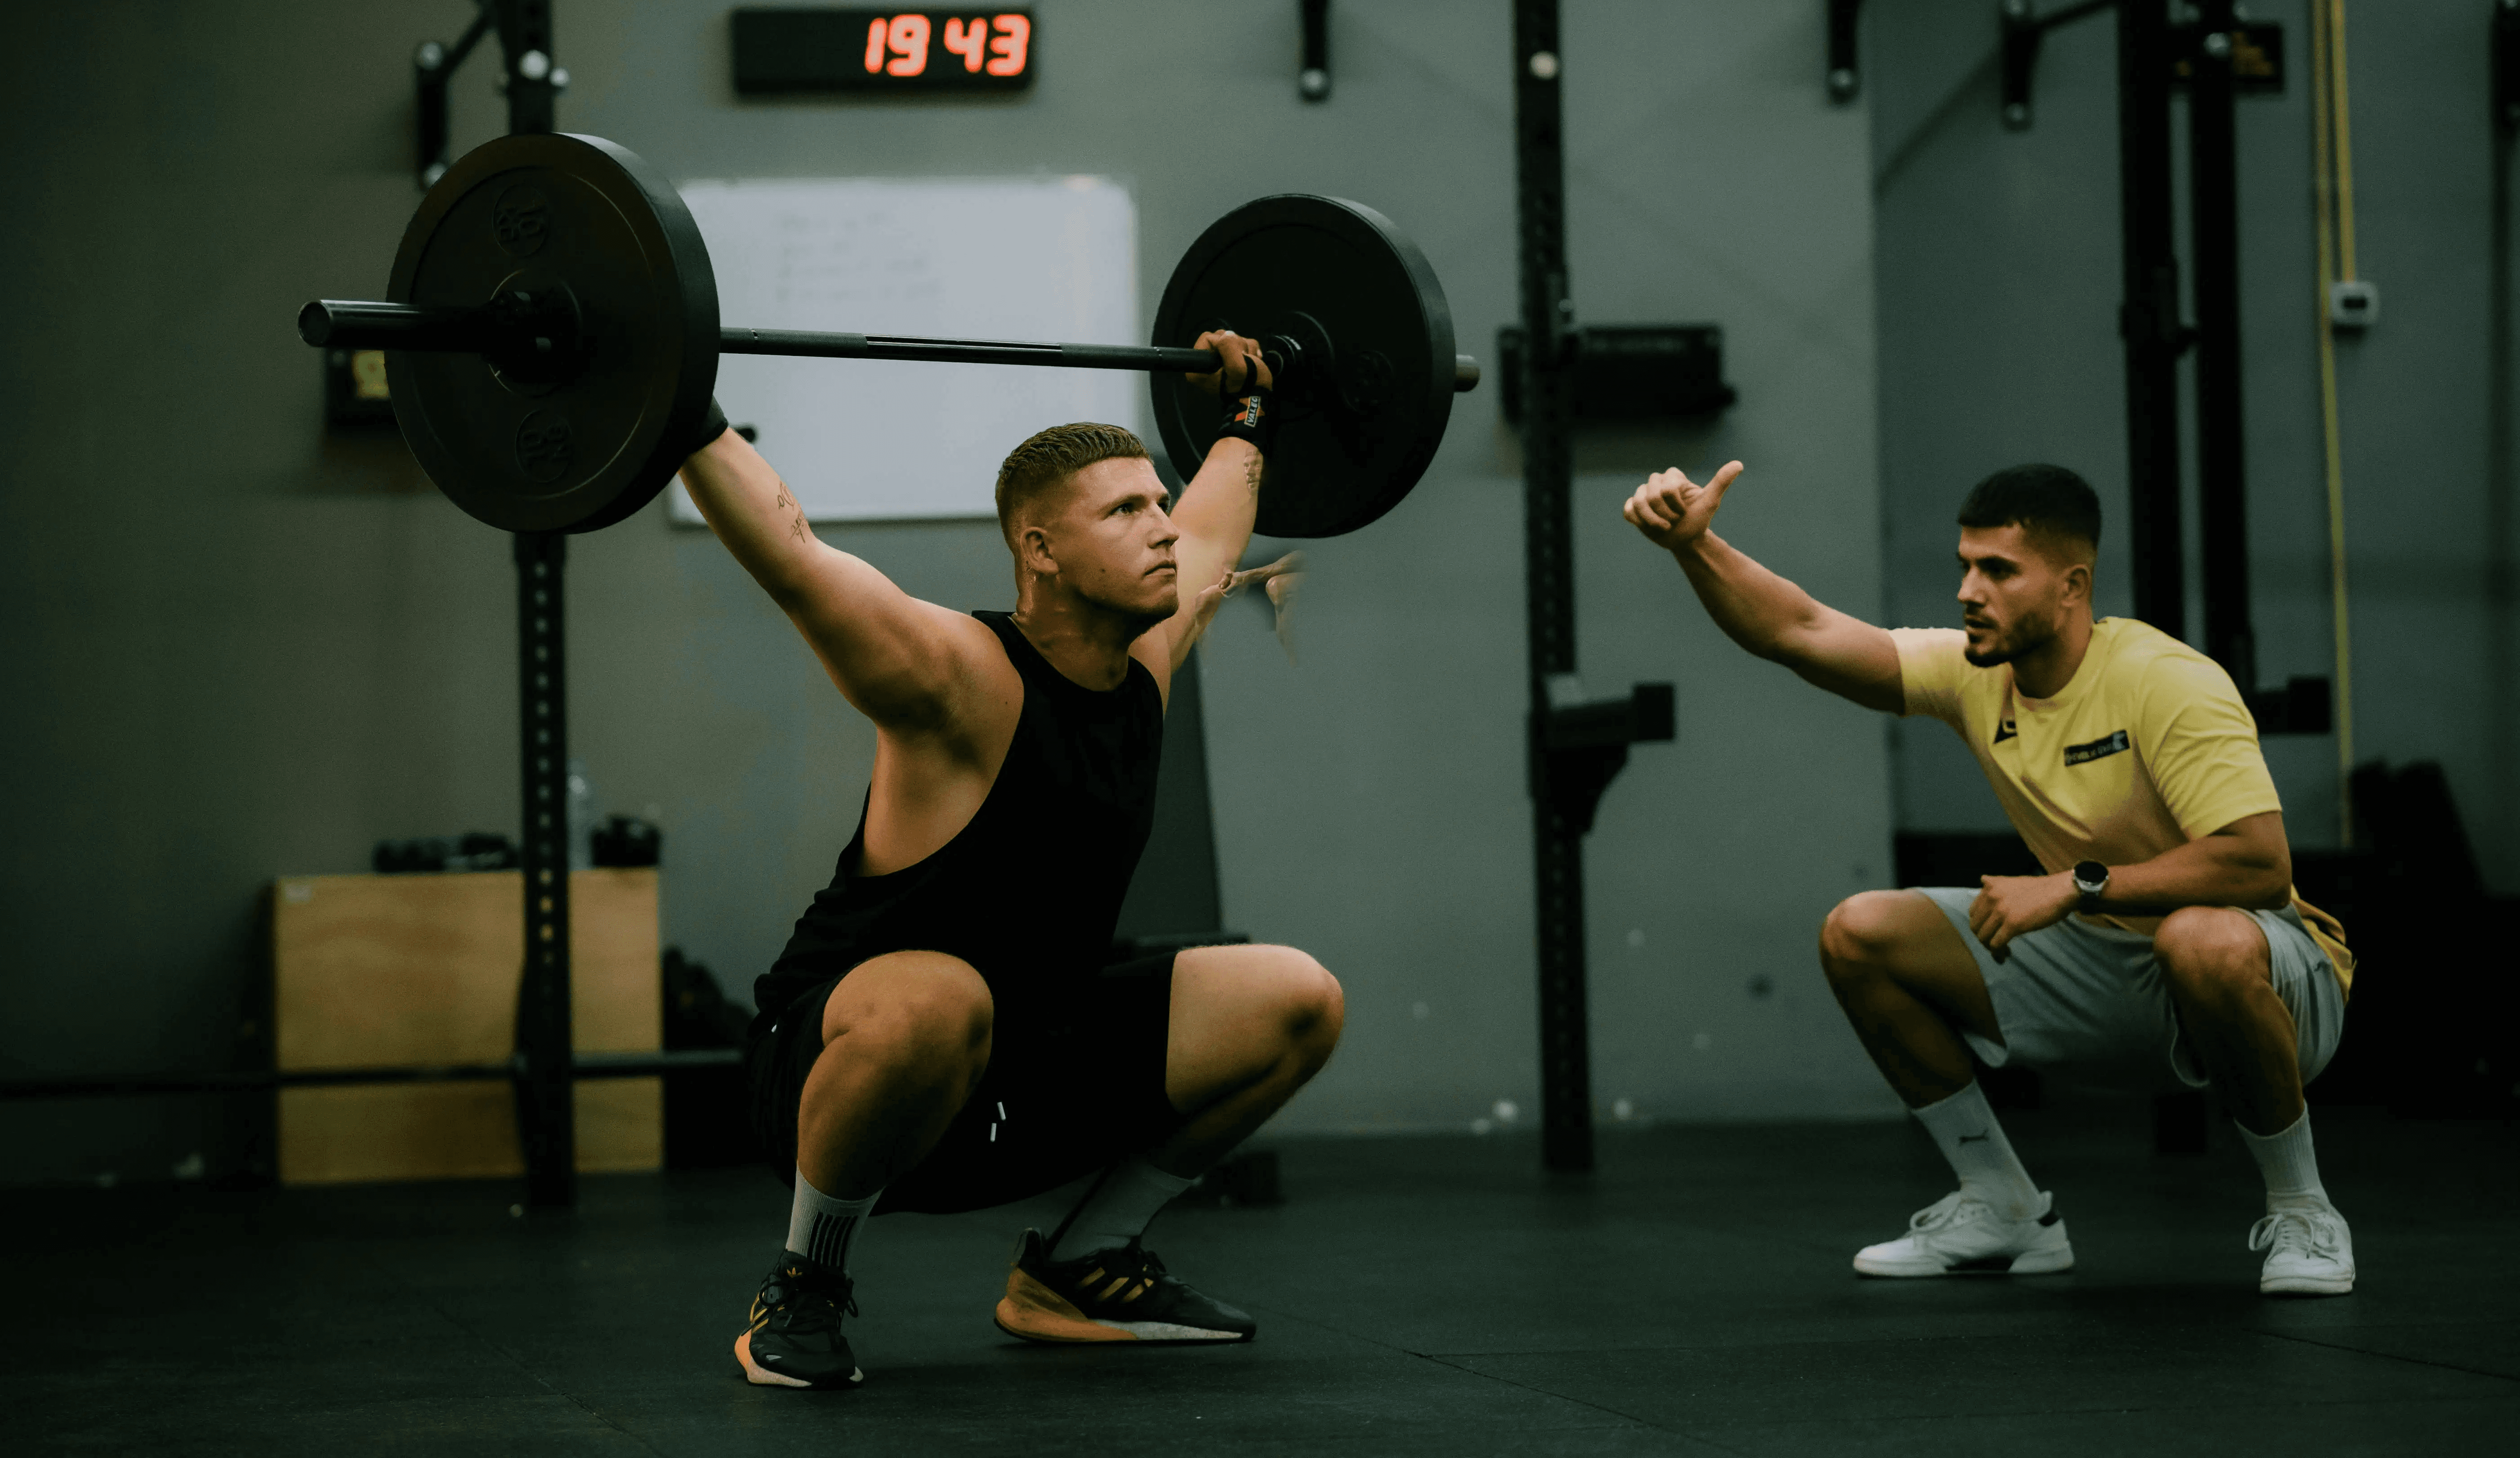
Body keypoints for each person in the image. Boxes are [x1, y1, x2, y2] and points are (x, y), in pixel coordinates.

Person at [675, 332, 1344, 1389]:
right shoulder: (956, 676)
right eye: (1125, 511)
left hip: (1026, 1061)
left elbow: (1216, 521)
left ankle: (1081, 1262)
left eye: (1157, 503)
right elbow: (793, 553)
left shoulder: (1150, 657)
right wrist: (680, 410)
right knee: (941, 997)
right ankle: (805, 1283)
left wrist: (1252, 408)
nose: (1163, 528)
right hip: (840, 1065)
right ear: (1039, 550)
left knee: (1296, 997)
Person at [1623, 459, 2356, 1297]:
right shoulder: (1976, 672)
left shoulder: (2166, 680)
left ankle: (2306, 1210)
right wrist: (1697, 547)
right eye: (1966, 566)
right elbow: (1800, 630)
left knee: (2201, 936)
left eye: (2000, 571)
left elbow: (2261, 866)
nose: (1971, 590)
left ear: (2072, 584)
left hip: (2276, 979)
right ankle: (2001, 1204)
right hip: (2110, 972)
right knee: (1861, 931)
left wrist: (2076, 885)